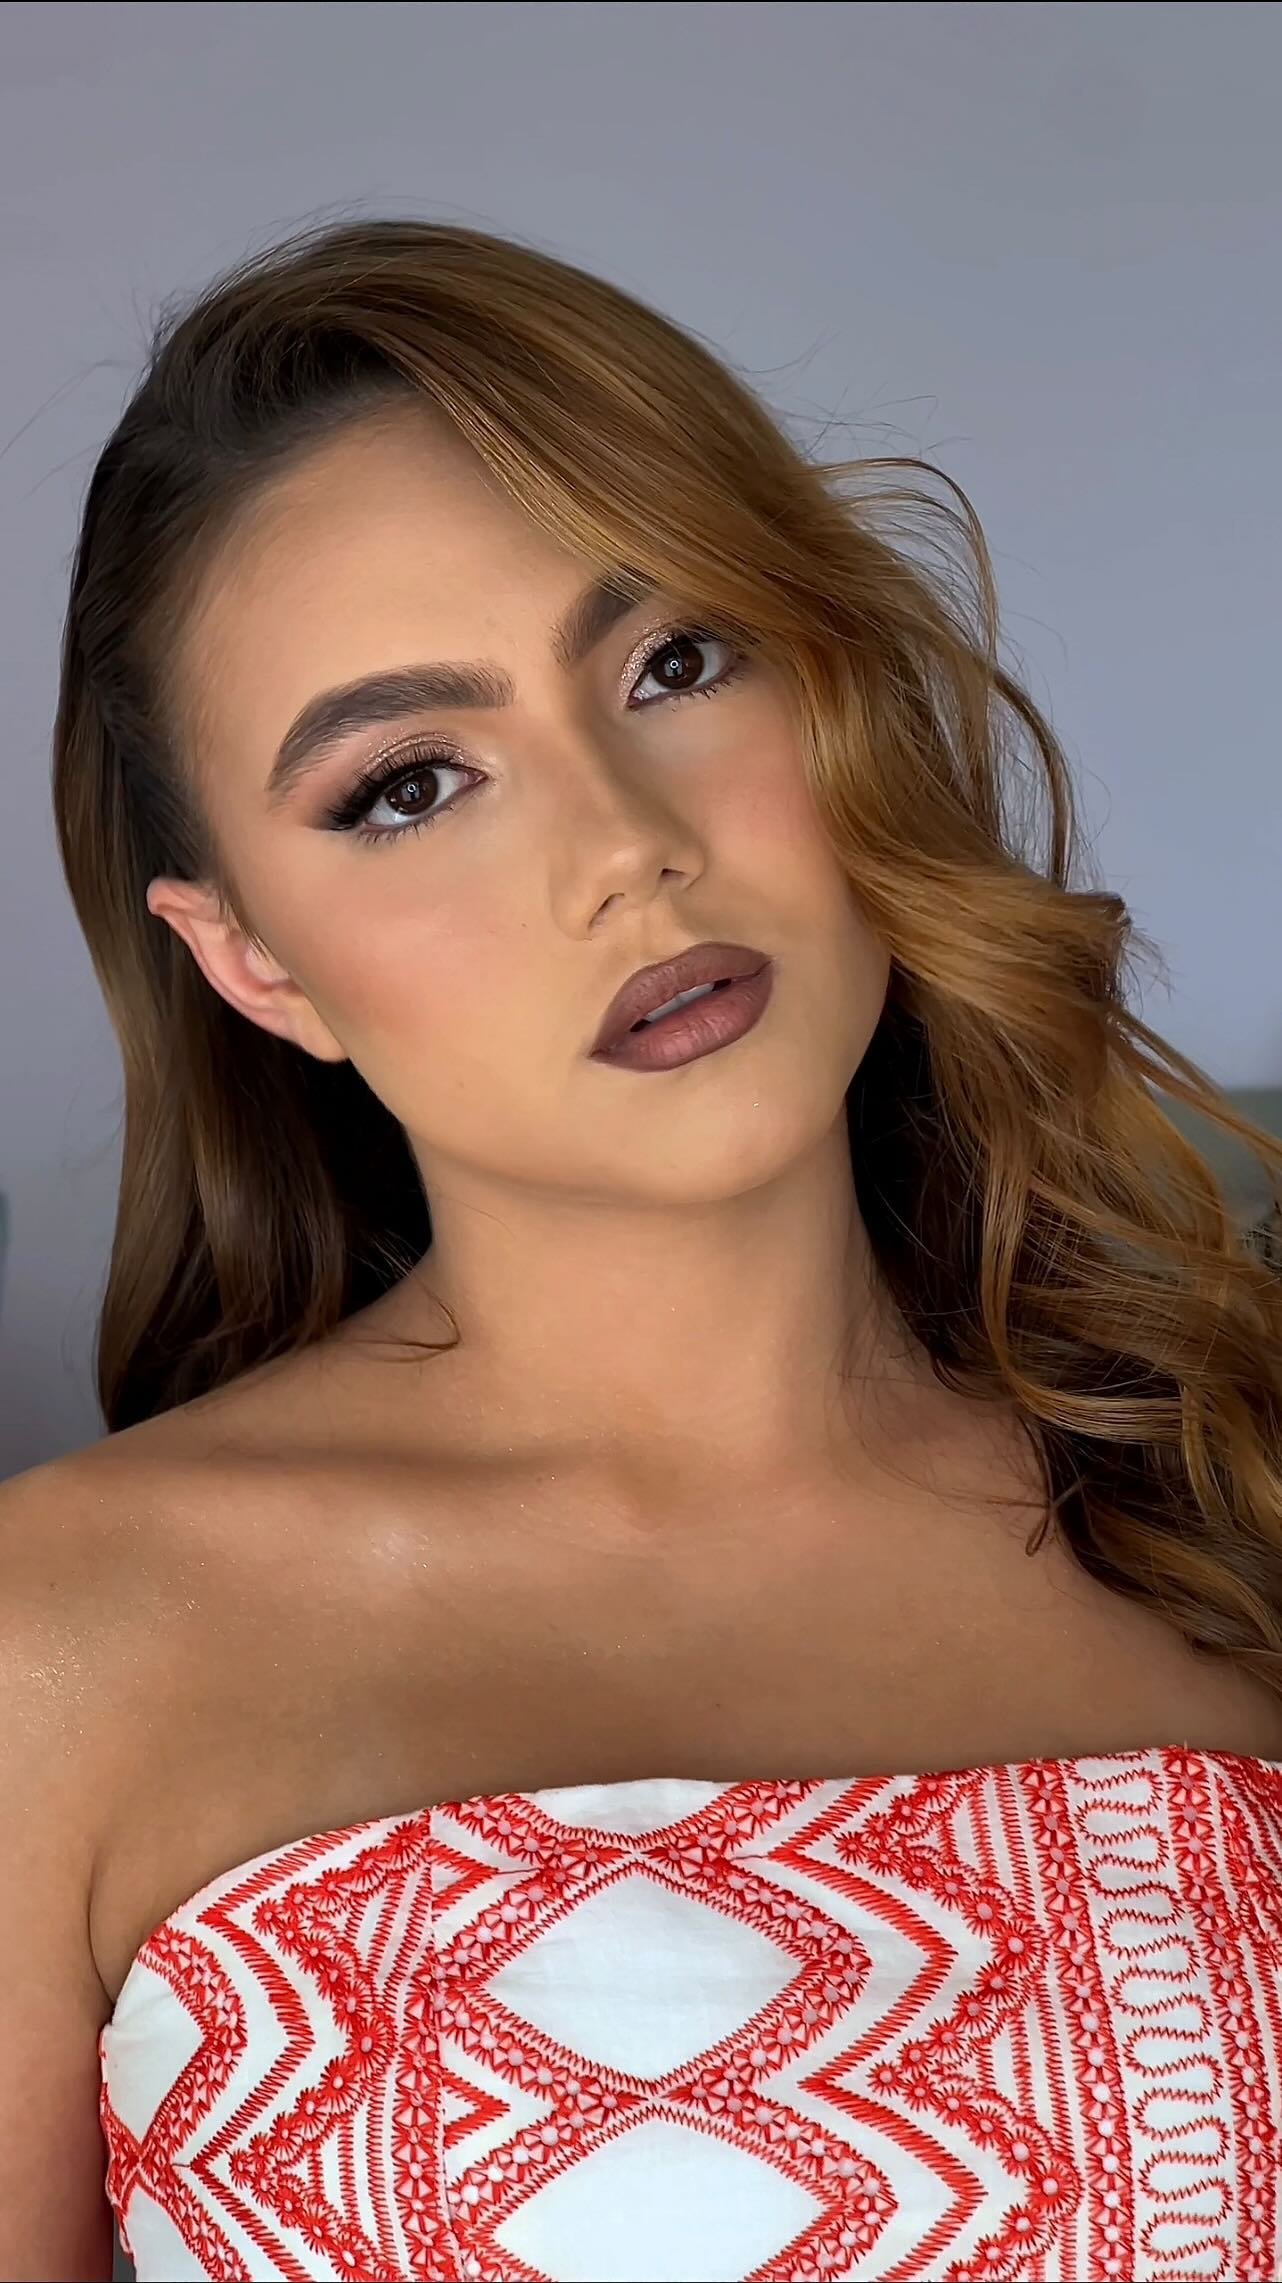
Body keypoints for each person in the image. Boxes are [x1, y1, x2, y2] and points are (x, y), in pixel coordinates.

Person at [3, 216, 1281, 2283]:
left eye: (672, 663)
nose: (623, 844)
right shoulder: (51, 1651)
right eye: (409, 784)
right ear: (254, 964)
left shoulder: (1231, 1486)